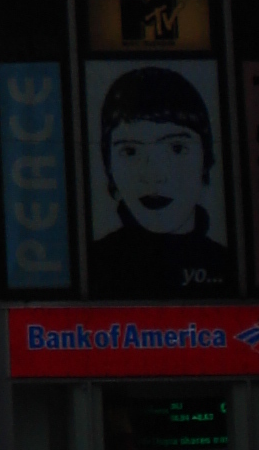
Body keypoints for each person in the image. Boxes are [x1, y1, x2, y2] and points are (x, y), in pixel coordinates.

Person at [86, 64, 233, 294]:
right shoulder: (91, 266)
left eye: (176, 148)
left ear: (206, 161)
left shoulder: (230, 267)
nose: (154, 175)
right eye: (131, 152)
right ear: (109, 168)